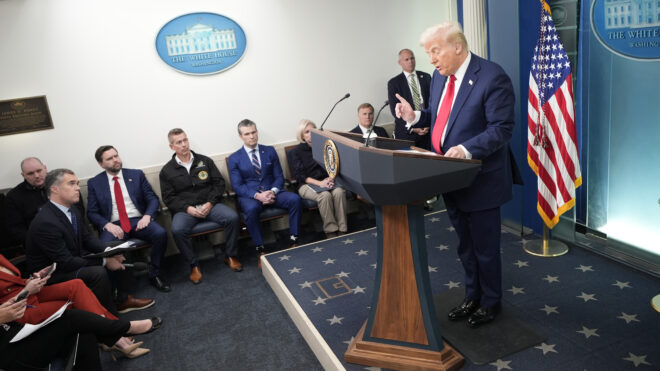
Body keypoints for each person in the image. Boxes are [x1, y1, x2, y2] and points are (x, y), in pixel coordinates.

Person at [395, 22, 521, 328]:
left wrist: (466, 149)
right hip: (450, 178)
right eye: (428, 54)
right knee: (464, 246)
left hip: (481, 179)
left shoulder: (492, 77)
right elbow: (441, 117)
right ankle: (472, 296)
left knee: (485, 249)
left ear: (457, 47)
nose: (432, 60)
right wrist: (416, 117)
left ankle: (490, 303)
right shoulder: (441, 79)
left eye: (435, 51)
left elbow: (501, 129)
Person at [25, 168, 154, 315]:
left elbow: (87, 238)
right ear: (55, 189)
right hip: (53, 274)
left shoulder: (71, 209)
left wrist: (109, 252)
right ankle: (109, 320)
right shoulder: (46, 221)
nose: (78, 188)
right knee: (97, 272)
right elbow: (65, 262)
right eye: (71, 184)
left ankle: (121, 299)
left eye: (77, 183)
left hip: (74, 257)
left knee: (118, 246)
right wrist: (106, 261)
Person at [0, 253, 155, 361]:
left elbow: (12, 282)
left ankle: (115, 333)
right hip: (17, 311)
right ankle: (119, 335)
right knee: (72, 309)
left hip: (26, 294)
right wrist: (27, 290)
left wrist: (30, 281)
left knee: (76, 285)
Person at [159, 128, 240, 283]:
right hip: (186, 210)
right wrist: (187, 208)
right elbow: (169, 198)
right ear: (172, 147)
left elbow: (219, 183)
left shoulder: (205, 161)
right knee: (177, 230)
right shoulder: (167, 171)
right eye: (179, 142)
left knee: (232, 218)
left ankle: (230, 255)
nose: (183, 145)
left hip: (210, 205)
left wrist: (210, 202)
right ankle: (193, 264)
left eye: (185, 140)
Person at [87, 146, 171, 292]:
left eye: (116, 156)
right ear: (101, 164)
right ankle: (119, 288)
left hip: (138, 219)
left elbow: (152, 199)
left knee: (160, 233)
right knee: (105, 247)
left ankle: (154, 273)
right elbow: (92, 212)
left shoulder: (136, 175)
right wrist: (107, 224)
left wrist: (147, 216)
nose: (115, 160)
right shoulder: (94, 183)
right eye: (109, 159)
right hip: (114, 224)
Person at [1, 294, 162, 370]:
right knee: (69, 318)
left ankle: (120, 332)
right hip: (10, 356)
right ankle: (125, 328)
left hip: (16, 334)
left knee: (83, 333)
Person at [228, 119, 302, 266]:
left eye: (254, 132)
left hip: (273, 191)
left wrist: (272, 191)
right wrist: (258, 195)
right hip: (251, 196)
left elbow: (279, 176)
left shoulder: (269, 151)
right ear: (240, 136)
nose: (251, 136)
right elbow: (238, 186)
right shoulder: (234, 158)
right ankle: (260, 249)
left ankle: (294, 239)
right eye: (247, 134)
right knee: (251, 209)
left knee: (295, 199)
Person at [3, 157, 84, 250]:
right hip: (41, 246)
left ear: (45, 168)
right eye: (30, 173)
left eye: (39, 170)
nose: (36, 175)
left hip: (74, 238)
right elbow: (16, 230)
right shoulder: (14, 197)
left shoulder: (64, 185)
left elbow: (79, 213)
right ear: (23, 175)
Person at [289, 119, 347, 238]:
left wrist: (330, 178)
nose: (311, 134)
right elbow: (300, 176)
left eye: (313, 131)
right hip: (306, 185)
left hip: (328, 181)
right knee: (324, 195)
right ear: (302, 135)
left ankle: (342, 228)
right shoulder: (295, 152)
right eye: (307, 132)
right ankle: (331, 230)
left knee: (339, 192)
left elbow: (333, 165)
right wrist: (320, 183)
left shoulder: (325, 146)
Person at [387, 48, 432, 149]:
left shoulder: (426, 77)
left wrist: (428, 124)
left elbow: (433, 103)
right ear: (400, 62)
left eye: (412, 58)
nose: (410, 61)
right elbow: (396, 112)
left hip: (427, 133)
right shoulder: (394, 83)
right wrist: (413, 127)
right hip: (407, 134)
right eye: (406, 59)